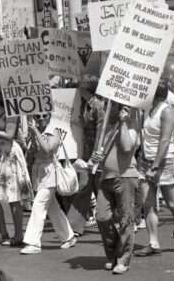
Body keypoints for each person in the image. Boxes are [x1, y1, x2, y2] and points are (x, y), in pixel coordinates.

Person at [0, 86, 33, 246]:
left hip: (9, 152)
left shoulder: (12, 109)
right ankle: (3, 232)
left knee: (13, 196)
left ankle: (18, 235)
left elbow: (9, 134)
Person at [134, 82, 174, 257]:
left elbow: (164, 140)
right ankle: (153, 243)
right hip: (146, 161)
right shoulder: (147, 110)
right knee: (147, 204)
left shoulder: (166, 111)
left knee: (171, 203)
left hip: (163, 162)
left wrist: (155, 166)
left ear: (156, 95)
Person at [91, 102, 140, 274]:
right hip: (106, 177)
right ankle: (112, 253)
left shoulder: (133, 122)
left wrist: (124, 123)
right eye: (107, 104)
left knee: (126, 220)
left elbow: (127, 147)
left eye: (114, 105)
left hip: (125, 176)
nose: (108, 107)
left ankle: (123, 259)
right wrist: (95, 157)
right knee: (102, 217)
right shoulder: (103, 125)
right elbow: (96, 154)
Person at [21, 113, 76, 254]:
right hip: (38, 173)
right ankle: (68, 236)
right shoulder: (36, 131)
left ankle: (33, 242)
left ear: (49, 116)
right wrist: (31, 137)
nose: (41, 119)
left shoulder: (54, 131)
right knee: (52, 208)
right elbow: (32, 152)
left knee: (38, 206)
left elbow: (47, 150)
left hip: (50, 173)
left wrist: (35, 133)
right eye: (37, 116)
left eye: (44, 116)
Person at [67, 76, 105, 236]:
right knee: (84, 188)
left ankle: (112, 221)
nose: (78, 90)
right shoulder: (83, 105)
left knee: (100, 189)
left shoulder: (99, 106)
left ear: (87, 88)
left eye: (80, 87)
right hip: (86, 154)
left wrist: (94, 157)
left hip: (97, 156)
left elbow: (100, 134)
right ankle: (73, 226)